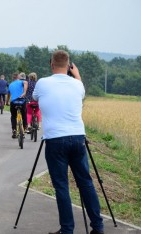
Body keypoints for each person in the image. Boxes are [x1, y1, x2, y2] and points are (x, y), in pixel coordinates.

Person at [33, 50, 104, 234]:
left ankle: (67, 230)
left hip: (55, 140)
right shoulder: (77, 85)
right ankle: (98, 227)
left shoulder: (42, 83)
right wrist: (77, 75)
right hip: (78, 138)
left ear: (51, 64)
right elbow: (80, 93)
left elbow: (35, 98)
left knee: (62, 186)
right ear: (69, 65)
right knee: (86, 183)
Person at [6, 73, 28, 138]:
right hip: (22, 101)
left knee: (13, 116)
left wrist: (7, 102)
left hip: (13, 102)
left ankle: (14, 130)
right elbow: (26, 82)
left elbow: (8, 95)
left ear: (13, 78)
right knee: (24, 114)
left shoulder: (10, 85)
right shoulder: (21, 81)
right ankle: (25, 127)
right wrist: (24, 92)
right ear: (18, 77)